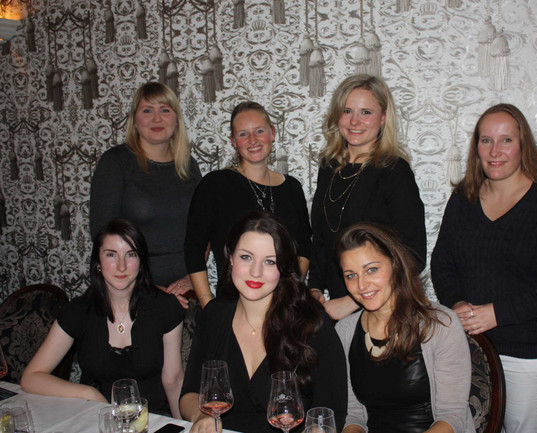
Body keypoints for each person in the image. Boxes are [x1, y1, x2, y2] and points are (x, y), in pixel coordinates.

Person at [430, 103, 537, 433]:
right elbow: (443, 262)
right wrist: (456, 303)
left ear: (523, 145)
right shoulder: (463, 197)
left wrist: (498, 313)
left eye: (506, 140)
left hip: (528, 356)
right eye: (486, 140)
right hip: (467, 350)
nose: (495, 151)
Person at [180, 211, 346, 433]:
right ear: (230, 258)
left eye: (269, 261)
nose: (255, 272)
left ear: (283, 268)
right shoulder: (213, 315)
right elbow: (189, 394)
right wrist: (201, 415)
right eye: (246, 257)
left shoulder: (312, 324)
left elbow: (331, 413)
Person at [21, 218, 185, 417]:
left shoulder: (165, 307)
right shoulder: (79, 311)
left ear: (141, 263)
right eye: (111, 255)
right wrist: (89, 393)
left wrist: (183, 427)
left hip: (152, 419)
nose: (121, 266)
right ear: (98, 262)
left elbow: (173, 380)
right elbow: (31, 377)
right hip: (95, 418)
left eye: (131, 254)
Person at [335, 223, 474, 433]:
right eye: (351, 275)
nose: (361, 285)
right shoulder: (345, 331)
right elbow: (353, 414)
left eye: (371, 270)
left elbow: (452, 416)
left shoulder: (440, 325)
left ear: (395, 265)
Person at [309, 74, 426, 321]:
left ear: (383, 117)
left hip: (384, 310)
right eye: (347, 111)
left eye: (366, 112)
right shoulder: (329, 167)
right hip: (336, 310)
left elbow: (413, 255)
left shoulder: (395, 171)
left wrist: (352, 301)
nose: (354, 121)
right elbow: (322, 239)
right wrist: (315, 288)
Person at [185, 101, 311, 308]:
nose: (253, 140)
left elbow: (304, 246)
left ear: (273, 133)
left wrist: (289, 294)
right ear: (233, 141)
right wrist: (209, 305)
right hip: (232, 306)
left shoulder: (292, 188)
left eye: (259, 131)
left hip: (283, 308)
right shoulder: (215, 184)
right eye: (243, 134)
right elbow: (194, 249)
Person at [90, 81, 202, 308]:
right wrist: (144, 287)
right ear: (135, 120)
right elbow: (102, 235)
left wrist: (192, 277)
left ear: (176, 119)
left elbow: (203, 229)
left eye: (165, 110)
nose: (157, 119)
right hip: (130, 290)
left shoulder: (188, 166)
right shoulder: (116, 162)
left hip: (186, 288)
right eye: (147, 110)